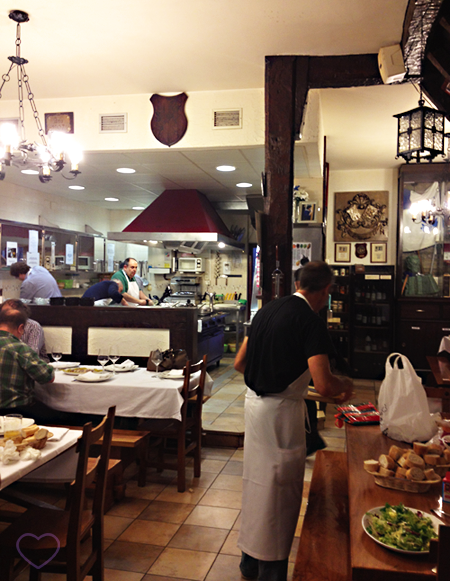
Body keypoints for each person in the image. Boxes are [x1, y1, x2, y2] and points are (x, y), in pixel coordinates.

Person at [233, 261, 354, 581]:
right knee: (278, 494)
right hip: (280, 417)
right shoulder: (310, 322)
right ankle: (270, 574)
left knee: (255, 488)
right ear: (326, 290)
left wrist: (268, 379)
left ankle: (248, 564)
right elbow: (326, 384)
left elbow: (239, 362)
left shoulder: (267, 310)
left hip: (254, 409)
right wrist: (345, 386)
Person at [0, 299, 56, 420]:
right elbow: (48, 377)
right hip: (18, 411)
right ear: (21, 328)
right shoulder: (19, 348)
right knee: (63, 415)